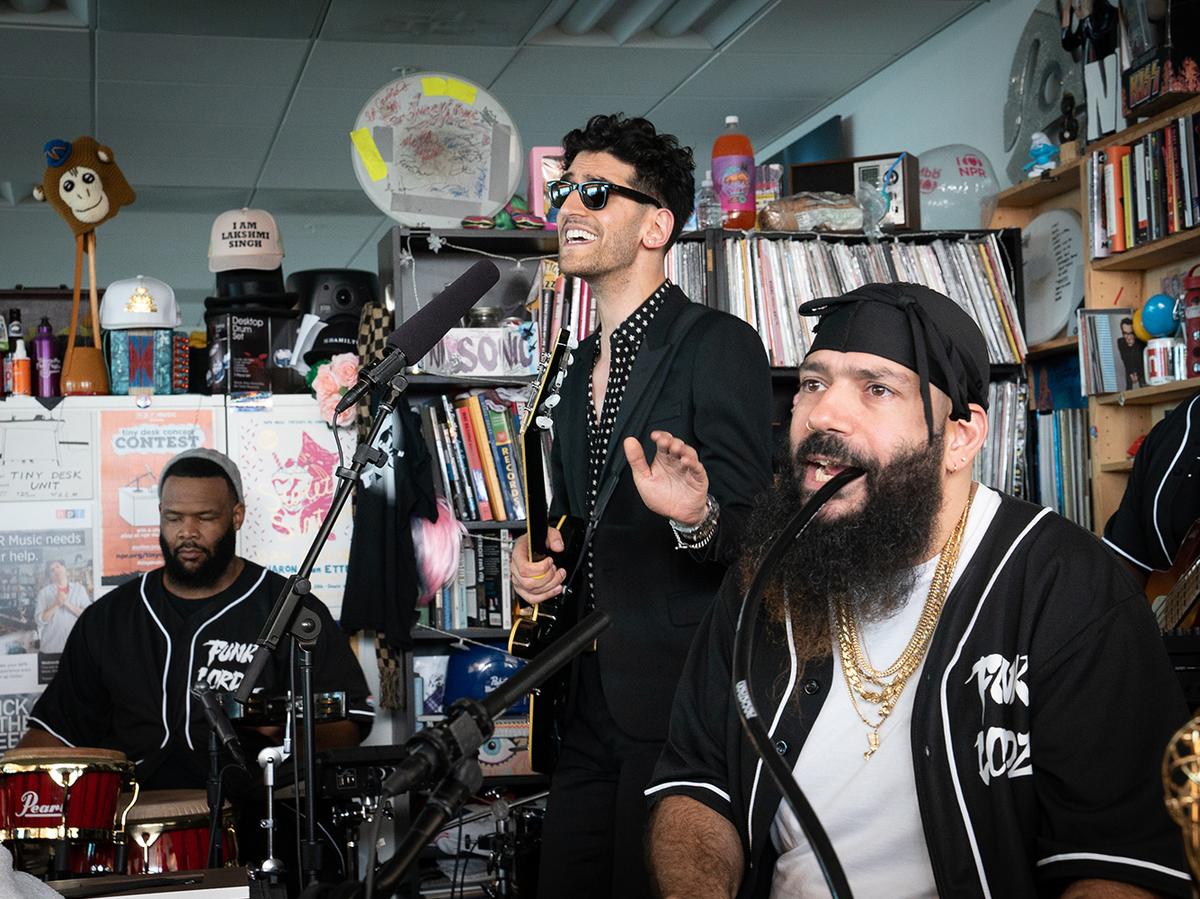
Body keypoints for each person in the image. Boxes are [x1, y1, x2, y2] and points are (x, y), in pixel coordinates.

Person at [646, 282, 1190, 898]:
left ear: (960, 437)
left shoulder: (1066, 585)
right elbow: (696, 783)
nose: (824, 415)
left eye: (878, 389)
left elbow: (1120, 861)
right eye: (813, 383)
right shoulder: (770, 574)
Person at [509, 113, 773, 899]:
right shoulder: (572, 361)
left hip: (675, 703)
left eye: (595, 192)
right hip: (579, 697)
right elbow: (575, 519)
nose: (570, 208)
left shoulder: (716, 343)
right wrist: (536, 562)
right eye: (564, 190)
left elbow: (757, 526)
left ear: (658, 224)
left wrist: (695, 515)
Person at [19, 447, 374, 790]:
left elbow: (348, 725)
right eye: (174, 518)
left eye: (205, 518)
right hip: (132, 820)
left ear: (236, 516)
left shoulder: (292, 610)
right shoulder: (108, 619)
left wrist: (288, 734)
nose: (187, 532)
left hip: (256, 815)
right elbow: (55, 731)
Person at [34, 560, 91, 655]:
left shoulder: (79, 589)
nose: (55, 570)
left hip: (76, 647)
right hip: (51, 648)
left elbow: (88, 615)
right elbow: (39, 620)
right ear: (50, 576)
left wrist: (66, 603)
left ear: (65, 568)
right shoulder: (43, 593)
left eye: (58, 566)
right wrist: (56, 604)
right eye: (52, 570)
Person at [1117, 316, 1146, 390]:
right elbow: (1125, 359)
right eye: (1125, 334)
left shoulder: (1141, 341)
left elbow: (1142, 361)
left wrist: (1138, 374)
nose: (1128, 337)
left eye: (1131, 333)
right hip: (1129, 367)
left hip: (1141, 368)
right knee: (1128, 390)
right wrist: (1131, 373)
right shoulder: (1120, 342)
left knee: (1145, 388)